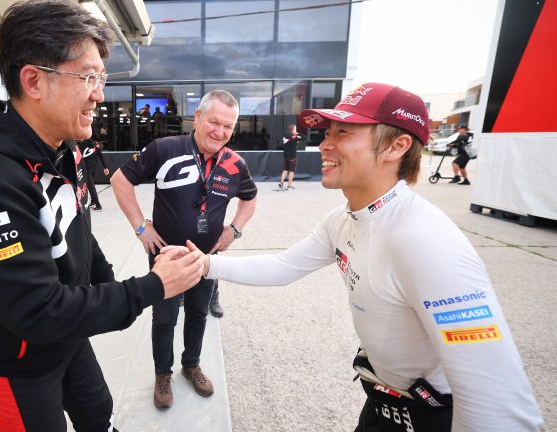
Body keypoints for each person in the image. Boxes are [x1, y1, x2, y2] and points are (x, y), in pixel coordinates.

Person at [164, 83, 543, 431]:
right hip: (381, 401)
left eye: (343, 133)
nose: (325, 145)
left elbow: (499, 408)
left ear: (396, 146)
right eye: (328, 133)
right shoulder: (343, 219)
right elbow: (285, 266)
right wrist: (205, 264)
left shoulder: (427, 242)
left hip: (432, 415)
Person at [0, 1, 204, 431]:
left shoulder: (62, 147)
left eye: (102, 78)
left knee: (99, 415)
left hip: (67, 337)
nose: (100, 94)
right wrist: (152, 287)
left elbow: (76, 229)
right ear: (34, 81)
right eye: (88, 77)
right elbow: (36, 312)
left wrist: (109, 283)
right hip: (16, 362)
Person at [111, 89, 258, 409]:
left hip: (206, 260)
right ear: (198, 117)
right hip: (166, 257)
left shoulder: (235, 163)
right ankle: (162, 374)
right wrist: (140, 227)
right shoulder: (165, 148)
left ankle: (191, 365)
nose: (220, 132)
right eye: (214, 122)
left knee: (198, 314)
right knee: (164, 318)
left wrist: (234, 229)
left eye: (228, 126)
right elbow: (120, 180)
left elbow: (250, 198)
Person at [77, 136, 110, 211]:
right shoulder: (95, 144)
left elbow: (78, 157)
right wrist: (105, 167)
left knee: (91, 187)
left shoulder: (81, 145)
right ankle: (93, 202)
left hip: (87, 169)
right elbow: (101, 156)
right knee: (91, 185)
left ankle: (98, 205)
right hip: (94, 167)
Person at [278, 124, 306, 190]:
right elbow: (304, 137)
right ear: (293, 129)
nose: (296, 130)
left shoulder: (285, 135)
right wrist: (297, 133)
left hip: (285, 155)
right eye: (295, 128)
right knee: (292, 171)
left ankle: (281, 182)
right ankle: (289, 185)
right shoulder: (295, 136)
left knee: (285, 169)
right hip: (292, 156)